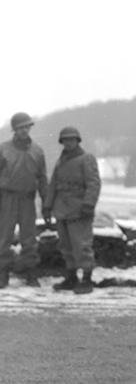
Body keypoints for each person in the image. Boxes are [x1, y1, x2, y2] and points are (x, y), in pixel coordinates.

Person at [43, 126, 101, 294]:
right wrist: (47, 206)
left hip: (79, 210)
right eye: (66, 140)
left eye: (72, 139)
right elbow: (53, 185)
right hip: (62, 210)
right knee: (66, 246)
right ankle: (71, 277)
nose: (69, 143)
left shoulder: (86, 159)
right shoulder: (61, 161)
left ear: (77, 140)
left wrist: (88, 204)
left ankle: (87, 279)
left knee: (82, 245)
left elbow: (93, 183)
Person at [0, 112, 47, 288]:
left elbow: (42, 178)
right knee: (3, 238)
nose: (24, 130)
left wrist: (46, 203)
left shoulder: (37, 151)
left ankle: (31, 273)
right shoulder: (3, 149)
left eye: (27, 127)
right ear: (14, 130)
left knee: (29, 238)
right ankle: (2, 273)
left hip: (28, 199)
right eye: (20, 128)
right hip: (7, 198)